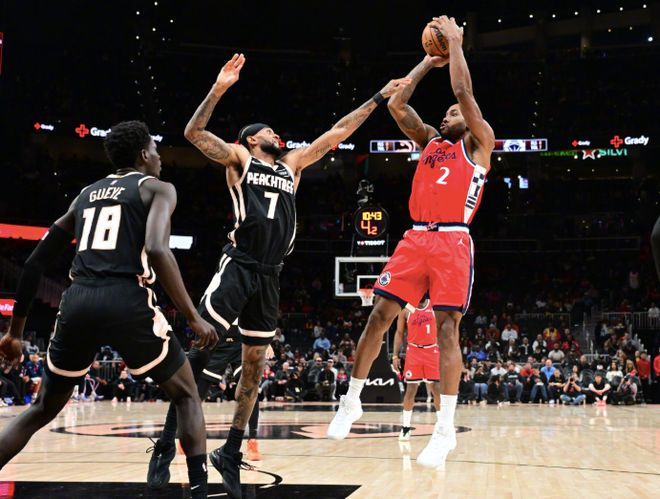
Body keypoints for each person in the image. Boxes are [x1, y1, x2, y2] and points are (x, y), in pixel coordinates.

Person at [178, 53, 410, 498]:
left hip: (270, 274)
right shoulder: (239, 160)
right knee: (203, 350)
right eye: (266, 130)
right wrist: (220, 88)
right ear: (250, 139)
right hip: (239, 264)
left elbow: (338, 132)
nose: (274, 133)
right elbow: (193, 133)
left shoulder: (292, 166)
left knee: (254, 367)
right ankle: (170, 440)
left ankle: (230, 449)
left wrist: (378, 98)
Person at [0, 121, 217, 498]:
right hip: (126, 297)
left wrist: (15, 333)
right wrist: (193, 316)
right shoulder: (158, 188)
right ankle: (200, 491)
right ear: (143, 154)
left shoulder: (85, 195)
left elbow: (34, 263)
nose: (161, 159)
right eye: (156, 151)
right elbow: (158, 249)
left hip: (78, 299)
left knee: (42, 408)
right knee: (185, 395)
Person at [327, 16, 496, 471]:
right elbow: (398, 103)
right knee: (378, 316)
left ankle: (444, 429)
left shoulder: (479, 143)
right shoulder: (430, 142)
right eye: (445, 115)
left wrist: (455, 45)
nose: (446, 116)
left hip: (453, 241)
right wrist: (426, 62)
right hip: (415, 237)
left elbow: (464, 92)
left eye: (452, 114)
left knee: (447, 330)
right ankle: (352, 400)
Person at [147, 322, 271, 491]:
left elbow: (259, 311)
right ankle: (170, 443)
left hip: (242, 335)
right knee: (190, 392)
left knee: (251, 387)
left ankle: (251, 442)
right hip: (215, 331)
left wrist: (265, 338)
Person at [391, 296, 441, 441]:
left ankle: (442, 426)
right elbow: (399, 333)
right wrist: (395, 355)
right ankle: (406, 428)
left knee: (436, 389)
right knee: (411, 390)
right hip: (413, 352)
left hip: (432, 350)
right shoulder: (406, 309)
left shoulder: (434, 306)